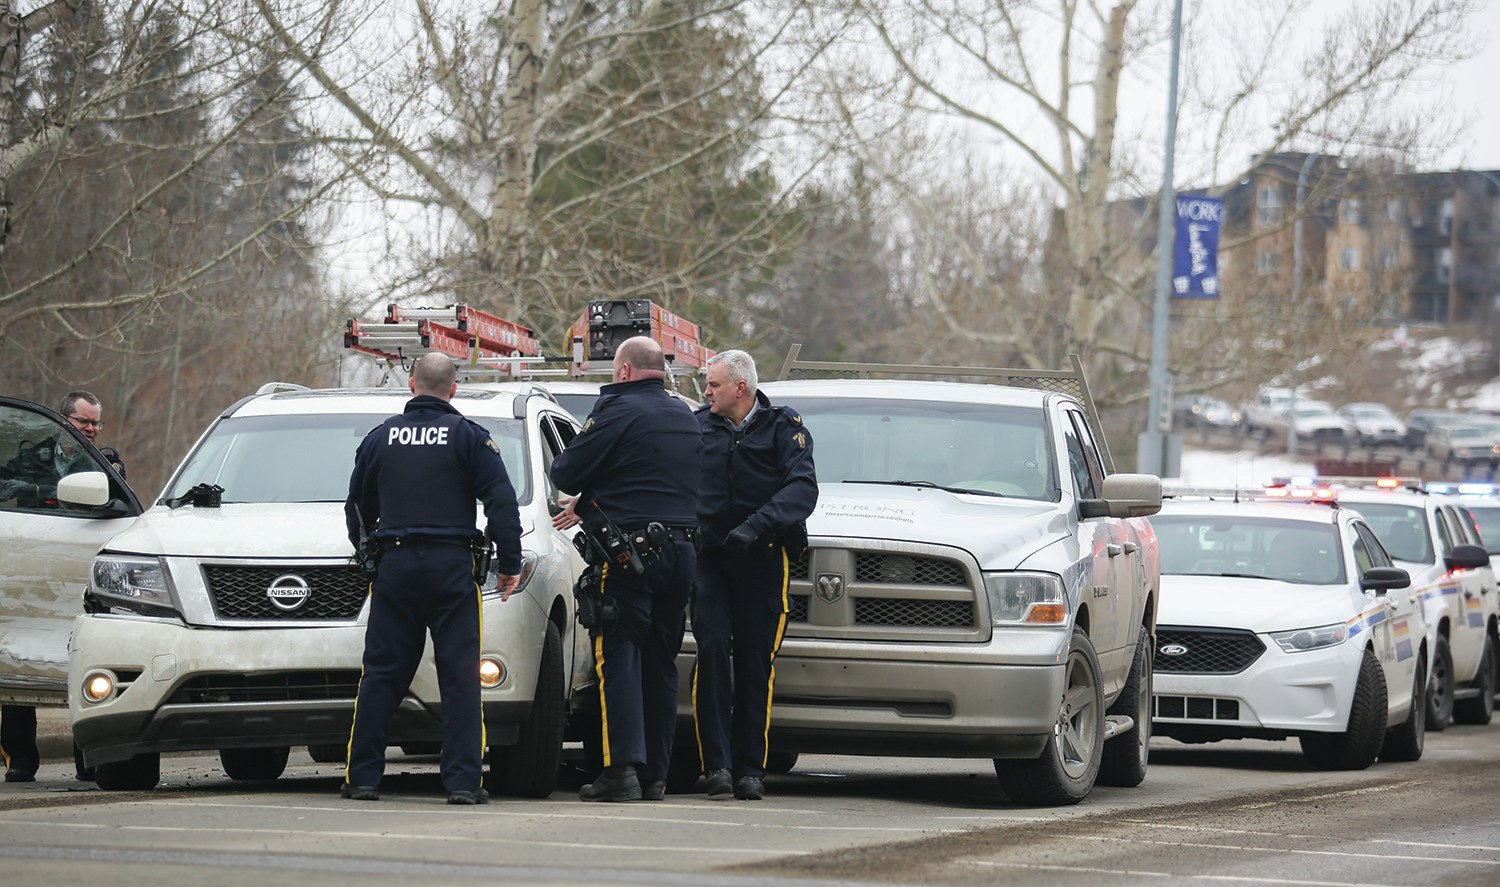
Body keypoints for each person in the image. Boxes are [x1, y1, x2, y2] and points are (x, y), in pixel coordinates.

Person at [341, 353, 523, 805]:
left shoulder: (381, 438)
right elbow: (501, 502)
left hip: (395, 568)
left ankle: (362, 778)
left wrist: (367, 555)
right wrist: (509, 563)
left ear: (411, 384)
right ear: (453, 389)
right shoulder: (468, 437)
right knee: (460, 677)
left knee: (381, 675)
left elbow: (357, 507)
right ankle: (462, 783)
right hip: (451, 570)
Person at [550, 336, 702, 802]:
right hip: (681, 555)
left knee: (618, 659)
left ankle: (621, 771)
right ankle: (656, 775)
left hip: (629, 559)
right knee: (661, 664)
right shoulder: (685, 415)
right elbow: (646, 473)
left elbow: (566, 473)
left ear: (623, 372)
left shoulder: (618, 410)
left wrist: (588, 492)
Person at [691, 349, 817, 801]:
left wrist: (756, 525)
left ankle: (749, 770)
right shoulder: (697, 426)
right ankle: (717, 767)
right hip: (710, 560)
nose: (706, 393)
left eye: (713, 385)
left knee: (753, 662)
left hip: (762, 559)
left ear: (739, 389)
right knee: (710, 652)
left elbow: (802, 489)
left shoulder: (784, 428)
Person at [1, 391, 121, 783]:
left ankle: (88, 758)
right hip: (28, 572)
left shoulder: (105, 465)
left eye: (95, 423)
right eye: (82, 421)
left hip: (78, 573)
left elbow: (119, 511)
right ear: (63, 419)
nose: (89, 429)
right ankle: (20, 760)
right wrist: (45, 493)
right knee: (22, 656)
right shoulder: (31, 457)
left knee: (84, 661)